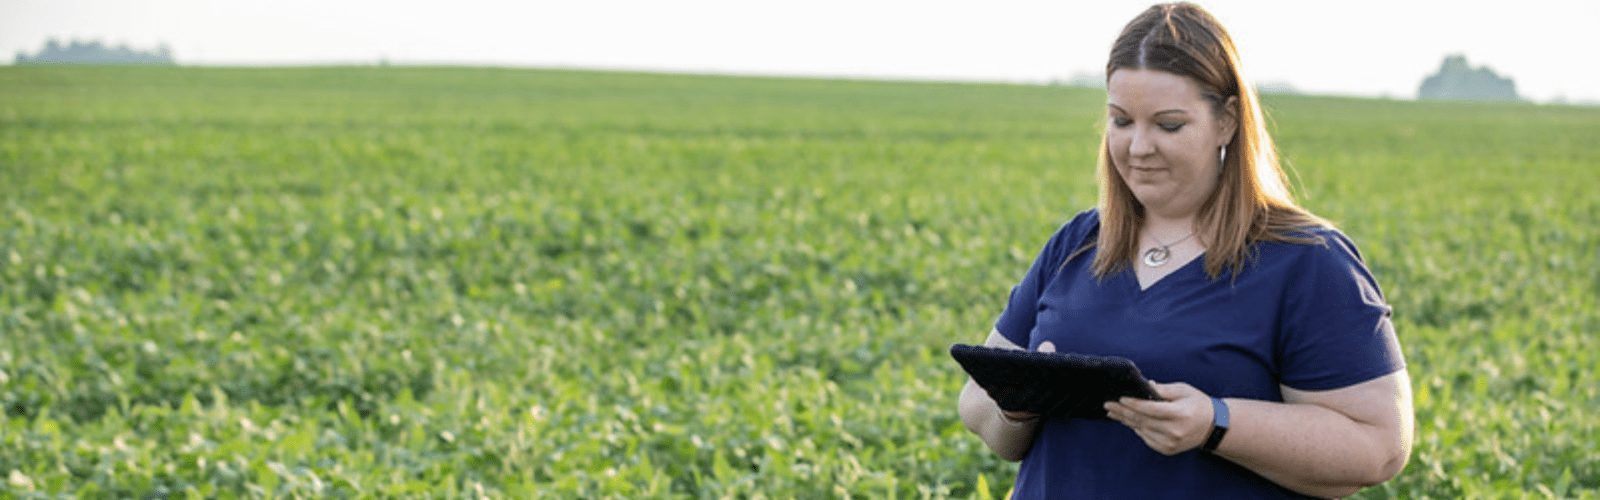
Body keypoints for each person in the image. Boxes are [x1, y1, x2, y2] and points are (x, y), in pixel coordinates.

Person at [956, 3, 1414, 498]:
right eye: (1122, 121)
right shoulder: (1078, 243)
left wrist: (1216, 423)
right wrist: (1018, 403)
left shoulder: (1307, 261)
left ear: (1227, 121)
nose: (1138, 147)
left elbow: (1378, 445)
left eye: (1168, 125)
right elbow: (980, 412)